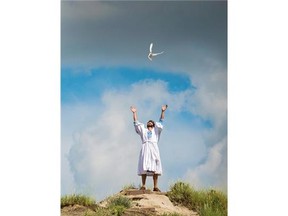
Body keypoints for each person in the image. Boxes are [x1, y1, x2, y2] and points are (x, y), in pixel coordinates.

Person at [130, 105, 168, 192]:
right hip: (145, 148)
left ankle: (155, 186)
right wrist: (134, 113)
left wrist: (162, 111)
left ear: (154, 125)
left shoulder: (156, 131)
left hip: (154, 148)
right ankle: (143, 185)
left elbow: (161, 121)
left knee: (156, 165)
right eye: (148, 122)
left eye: (151, 122)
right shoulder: (143, 130)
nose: (150, 122)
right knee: (144, 165)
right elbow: (136, 122)